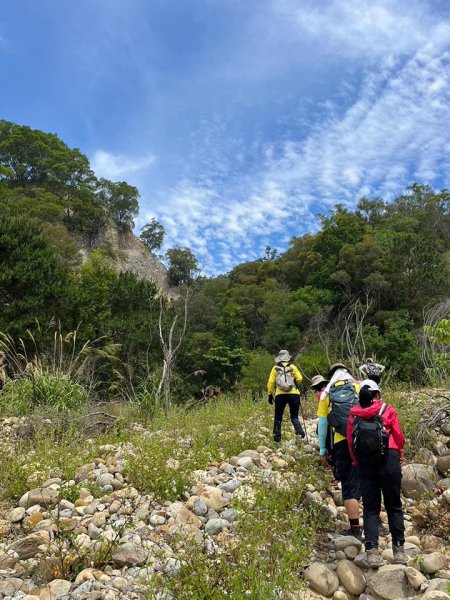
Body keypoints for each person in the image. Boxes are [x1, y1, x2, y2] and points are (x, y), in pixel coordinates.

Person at [347, 379, 406, 568]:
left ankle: (372, 551)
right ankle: (399, 551)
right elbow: (398, 436)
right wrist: (399, 454)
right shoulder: (388, 409)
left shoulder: (354, 413)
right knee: (394, 505)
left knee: (371, 508)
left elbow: (350, 441)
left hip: (365, 463)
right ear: (377, 394)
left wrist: (356, 462)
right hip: (389, 458)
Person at [317, 363, 361, 538]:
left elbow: (323, 425)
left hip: (342, 442)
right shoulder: (358, 386)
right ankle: (376, 523)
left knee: (349, 485)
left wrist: (322, 450)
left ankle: (355, 529)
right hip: (363, 440)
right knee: (369, 481)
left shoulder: (326, 394)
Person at [267, 349, 305, 443]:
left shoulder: (275, 368)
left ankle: (277, 436)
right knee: (294, 416)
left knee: (278, 416)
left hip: (280, 395)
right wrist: (296, 383)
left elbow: (271, 382)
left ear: (279, 358)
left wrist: (269, 394)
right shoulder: (292, 367)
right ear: (287, 357)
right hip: (294, 394)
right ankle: (299, 431)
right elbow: (300, 378)